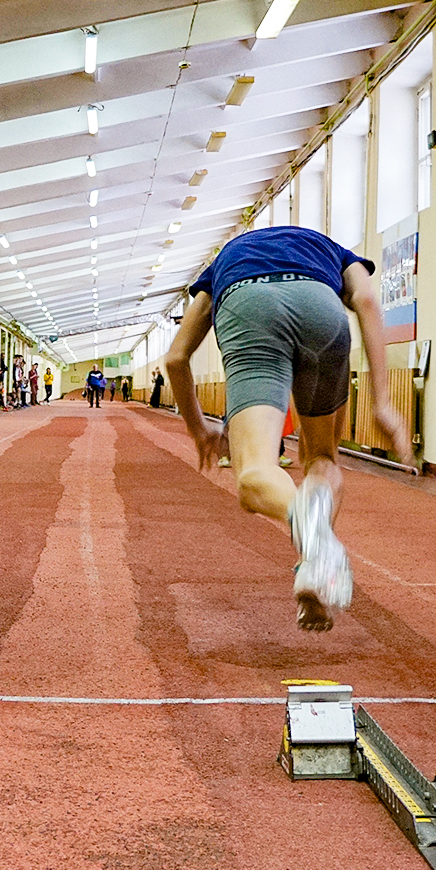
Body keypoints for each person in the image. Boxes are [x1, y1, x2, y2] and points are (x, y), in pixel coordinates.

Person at [164, 224, 410, 632]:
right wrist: (382, 402)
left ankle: (317, 544)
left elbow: (176, 358)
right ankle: (313, 566)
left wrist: (198, 429)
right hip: (321, 306)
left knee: (254, 475)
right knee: (322, 460)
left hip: (249, 307)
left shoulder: (226, 258)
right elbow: (366, 300)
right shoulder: (332, 249)